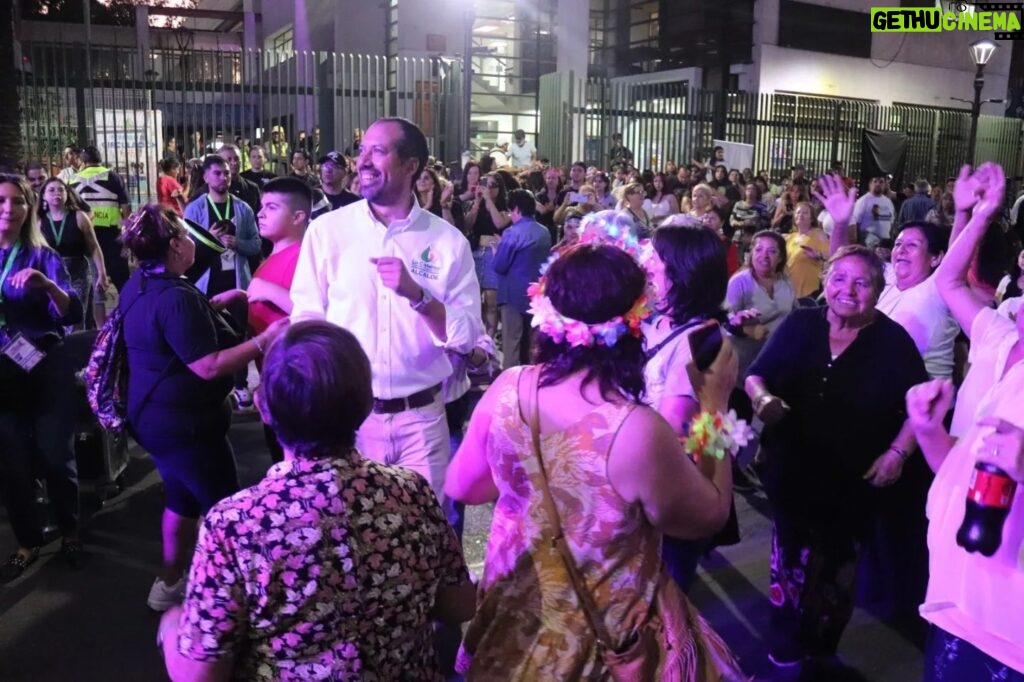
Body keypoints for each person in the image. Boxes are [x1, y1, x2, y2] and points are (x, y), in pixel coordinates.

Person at [446, 242, 742, 678]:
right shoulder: (636, 429)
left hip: (515, 623)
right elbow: (708, 515)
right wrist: (715, 406)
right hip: (600, 640)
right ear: (635, 323)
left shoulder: (509, 388)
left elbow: (464, 486)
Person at [158, 321, 475, 681]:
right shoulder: (411, 492)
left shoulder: (233, 526)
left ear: (264, 409)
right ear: (366, 403)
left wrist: (172, 627)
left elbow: (198, 676)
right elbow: (461, 604)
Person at [745, 244, 928, 667]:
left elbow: (921, 408)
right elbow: (758, 374)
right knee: (787, 560)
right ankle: (785, 639)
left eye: (862, 282)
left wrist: (897, 453)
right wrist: (762, 398)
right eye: (840, 278)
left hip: (852, 484)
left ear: (879, 291)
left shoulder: (893, 342)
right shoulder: (801, 323)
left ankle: (821, 645)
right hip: (791, 473)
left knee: (837, 573)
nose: (849, 289)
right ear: (826, 282)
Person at [290, 117, 482, 500]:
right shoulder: (327, 231)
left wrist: (420, 297)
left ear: (412, 166)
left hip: (423, 421)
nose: (363, 161)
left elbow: (466, 336)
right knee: (353, 537)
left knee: (426, 536)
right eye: (362, 151)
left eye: (378, 151)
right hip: (350, 422)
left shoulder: (447, 242)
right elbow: (307, 322)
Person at [118, 205, 287, 610]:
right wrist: (269, 338)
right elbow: (208, 366)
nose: (192, 239)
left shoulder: (142, 282)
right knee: (226, 511)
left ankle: (169, 584)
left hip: (153, 419)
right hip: (187, 427)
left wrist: (212, 306)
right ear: (175, 246)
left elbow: (170, 336)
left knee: (180, 500)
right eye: (184, 233)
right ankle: (227, 604)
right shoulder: (176, 298)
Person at [905, 162, 1024, 680]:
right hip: (956, 601)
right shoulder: (1000, 340)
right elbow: (949, 279)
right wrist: (976, 215)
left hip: (1010, 634)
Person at [0, 174, 85, 582]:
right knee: (13, 463)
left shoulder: (41, 255)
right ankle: (28, 542)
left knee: (55, 456)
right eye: (1, 200)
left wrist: (47, 286)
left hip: (45, 364)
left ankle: (69, 529)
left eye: (17, 201)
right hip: (3, 376)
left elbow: (71, 313)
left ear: (28, 208)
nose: (8, 208)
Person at [36, 177, 109, 329]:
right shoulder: (38, 221)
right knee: (56, 315)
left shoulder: (79, 217)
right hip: (52, 275)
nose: (57, 193)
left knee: (76, 317)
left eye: (61, 190)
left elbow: (94, 246)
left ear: (67, 194)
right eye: (52, 190)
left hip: (78, 274)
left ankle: (76, 349)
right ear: (43, 196)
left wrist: (101, 273)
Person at [493, 189, 551, 369]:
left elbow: (500, 265)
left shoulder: (512, 233)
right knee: (532, 346)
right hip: (537, 294)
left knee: (512, 344)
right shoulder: (545, 231)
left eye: (511, 211)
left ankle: (509, 387)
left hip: (513, 294)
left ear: (516, 209)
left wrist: (496, 250)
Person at [725, 230, 796, 375]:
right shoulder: (739, 282)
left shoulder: (785, 280)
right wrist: (747, 330)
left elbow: (794, 312)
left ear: (781, 257)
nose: (764, 256)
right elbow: (724, 321)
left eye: (772, 251)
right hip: (745, 365)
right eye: (758, 249)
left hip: (778, 361)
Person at [68, 145, 131, 292]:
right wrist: (127, 234)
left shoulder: (72, 180)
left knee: (91, 279)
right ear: (100, 160)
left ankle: (96, 311)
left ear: (83, 162)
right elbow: (126, 208)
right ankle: (128, 308)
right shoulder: (114, 177)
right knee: (121, 279)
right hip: (112, 234)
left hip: (84, 234)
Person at [464, 171, 510, 339]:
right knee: (476, 299)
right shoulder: (476, 204)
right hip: (476, 253)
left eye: (493, 186)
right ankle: (479, 335)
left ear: (499, 188)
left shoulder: (505, 206)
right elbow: (468, 224)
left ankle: (489, 339)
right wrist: (477, 200)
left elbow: (499, 223)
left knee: (491, 300)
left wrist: (489, 200)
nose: (488, 189)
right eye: (486, 185)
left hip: (493, 254)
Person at [783, 202, 830, 299]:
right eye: (798, 212)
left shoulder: (818, 235)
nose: (801, 215)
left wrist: (819, 255)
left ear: (812, 218)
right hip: (790, 291)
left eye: (805, 213)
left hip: (809, 291)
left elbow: (831, 256)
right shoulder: (790, 238)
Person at [851, 175, 896, 248]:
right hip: (868, 244)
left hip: (885, 243)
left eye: (881, 182)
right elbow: (856, 223)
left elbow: (891, 223)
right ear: (870, 184)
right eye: (875, 181)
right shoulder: (863, 201)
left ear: (884, 185)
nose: (878, 184)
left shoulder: (888, 202)